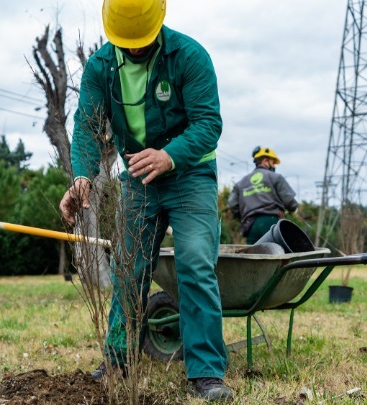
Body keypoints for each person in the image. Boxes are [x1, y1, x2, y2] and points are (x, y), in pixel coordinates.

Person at [58, 0, 232, 401]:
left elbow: (209, 123)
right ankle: (118, 360)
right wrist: (82, 175)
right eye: (126, 43)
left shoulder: (190, 56)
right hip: (138, 182)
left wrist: (170, 155)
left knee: (194, 264)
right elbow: (86, 125)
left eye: (142, 41)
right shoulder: (101, 68)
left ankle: (205, 373)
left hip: (190, 176)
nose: (134, 49)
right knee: (128, 269)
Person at [228, 146, 299, 244]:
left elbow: (232, 204)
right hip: (271, 222)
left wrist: (242, 217)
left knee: (253, 256)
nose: (274, 166)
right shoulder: (275, 177)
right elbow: (289, 201)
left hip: (250, 225)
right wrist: (294, 209)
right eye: (273, 163)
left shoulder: (241, 183)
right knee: (276, 255)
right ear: (265, 161)